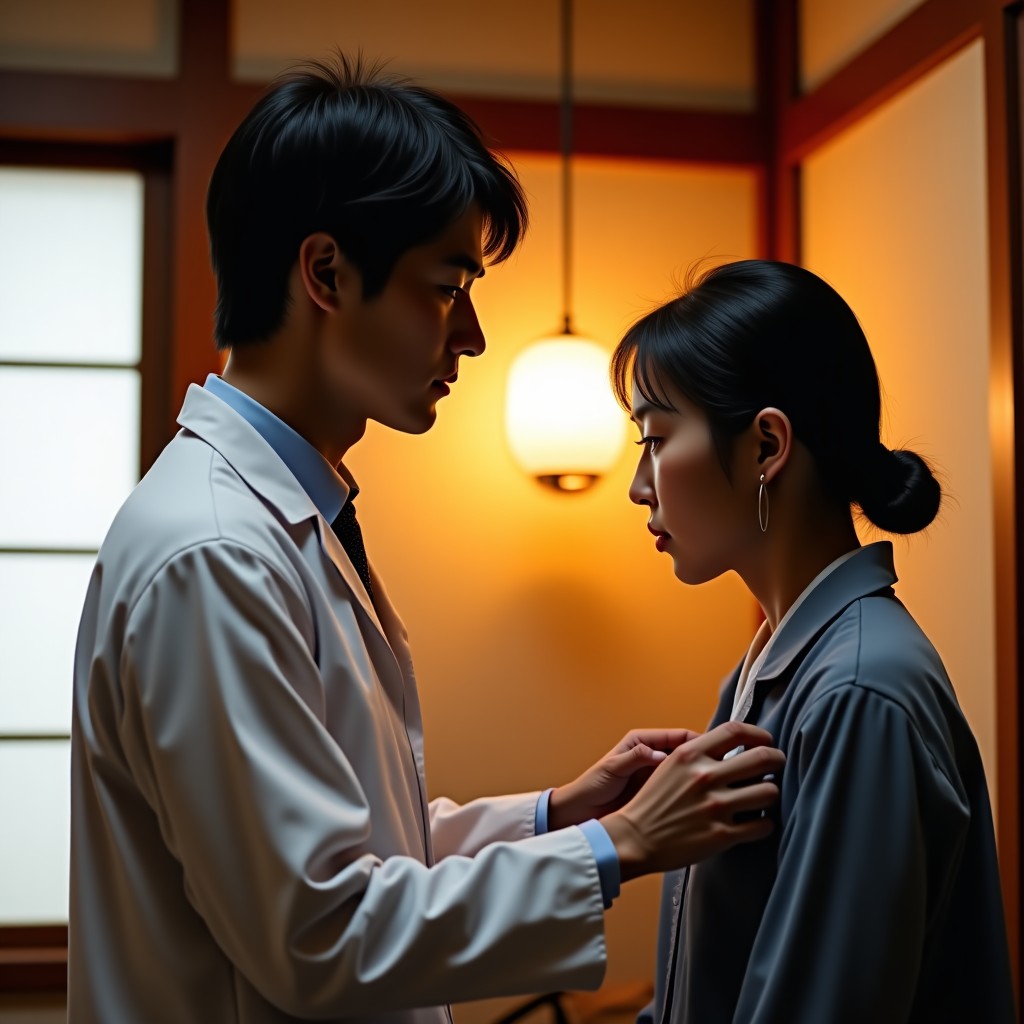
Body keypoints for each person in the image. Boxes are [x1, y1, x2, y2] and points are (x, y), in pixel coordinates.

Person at [67, 56, 786, 1023]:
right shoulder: (214, 553)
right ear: (326, 273)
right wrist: (623, 846)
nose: (474, 334)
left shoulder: (284, 517)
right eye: (448, 287)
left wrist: (561, 814)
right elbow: (319, 933)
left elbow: (353, 850)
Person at [614, 259, 1017, 1023]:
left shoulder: (860, 692)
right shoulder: (767, 668)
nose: (640, 484)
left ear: (767, 446)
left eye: (657, 439)